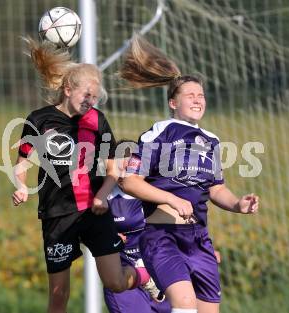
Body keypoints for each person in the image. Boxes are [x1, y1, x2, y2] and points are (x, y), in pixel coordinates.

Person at [118, 35, 259, 313]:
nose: (198, 100)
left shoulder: (212, 141)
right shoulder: (160, 132)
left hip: (199, 238)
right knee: (183, 304)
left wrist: (238, 205)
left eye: (201, 95)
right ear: (173, 103)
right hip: (162, 235)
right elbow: (129, 181)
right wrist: (170, 199)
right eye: (190, 95)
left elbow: (216, 188)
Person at [11, 38, 151, 313]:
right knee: (59, 296)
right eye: (86, 95)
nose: (90, 102)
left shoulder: (97, 121)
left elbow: (113, 170)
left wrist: (101, 196)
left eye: (94, 97)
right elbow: (21, 164)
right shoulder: (39, 120)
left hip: (93, 212)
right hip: (57, 214)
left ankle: (148, 277)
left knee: (115, 282)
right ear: (67, 89)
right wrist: (20, 186)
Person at [104, 140, 170, 313]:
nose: (126, 163)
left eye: (131, 158)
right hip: (125, 278)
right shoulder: (104, 195)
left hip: (162, 274)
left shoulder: (156, 190)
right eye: (121, 158)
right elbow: (82, 228)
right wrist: (105, 236)